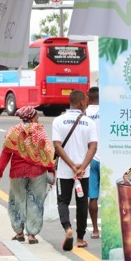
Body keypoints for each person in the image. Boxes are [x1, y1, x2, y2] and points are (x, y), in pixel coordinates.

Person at [0, 106, 55, 244]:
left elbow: (6, 153)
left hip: (17, 172)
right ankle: (32, 235)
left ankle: (19, 233)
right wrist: (52, 171)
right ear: (32, 118)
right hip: (37, 172)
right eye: (37, 117)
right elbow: (48, 153)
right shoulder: (40, 132)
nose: (38, 120)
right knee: (36, 202)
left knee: (17, 201)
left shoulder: (13, 132)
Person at [52, 90, 98, 251]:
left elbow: (57, 146)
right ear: (80, 103)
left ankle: (67, 228)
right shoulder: (89, 122)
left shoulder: (58, 121)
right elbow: (93, 147)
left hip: (65, 171)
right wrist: (82, 167)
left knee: (63, 201)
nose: (86, 104)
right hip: (83, 173)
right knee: (81, 203)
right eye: (85, 101)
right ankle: (79, 239)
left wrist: (71, 166)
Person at [86, 86, 100, 240]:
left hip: (91, 158)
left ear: (87, 97)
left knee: (93, 197)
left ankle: (95, 230)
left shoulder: (84, 114)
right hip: (107, 157)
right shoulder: (108, 112)